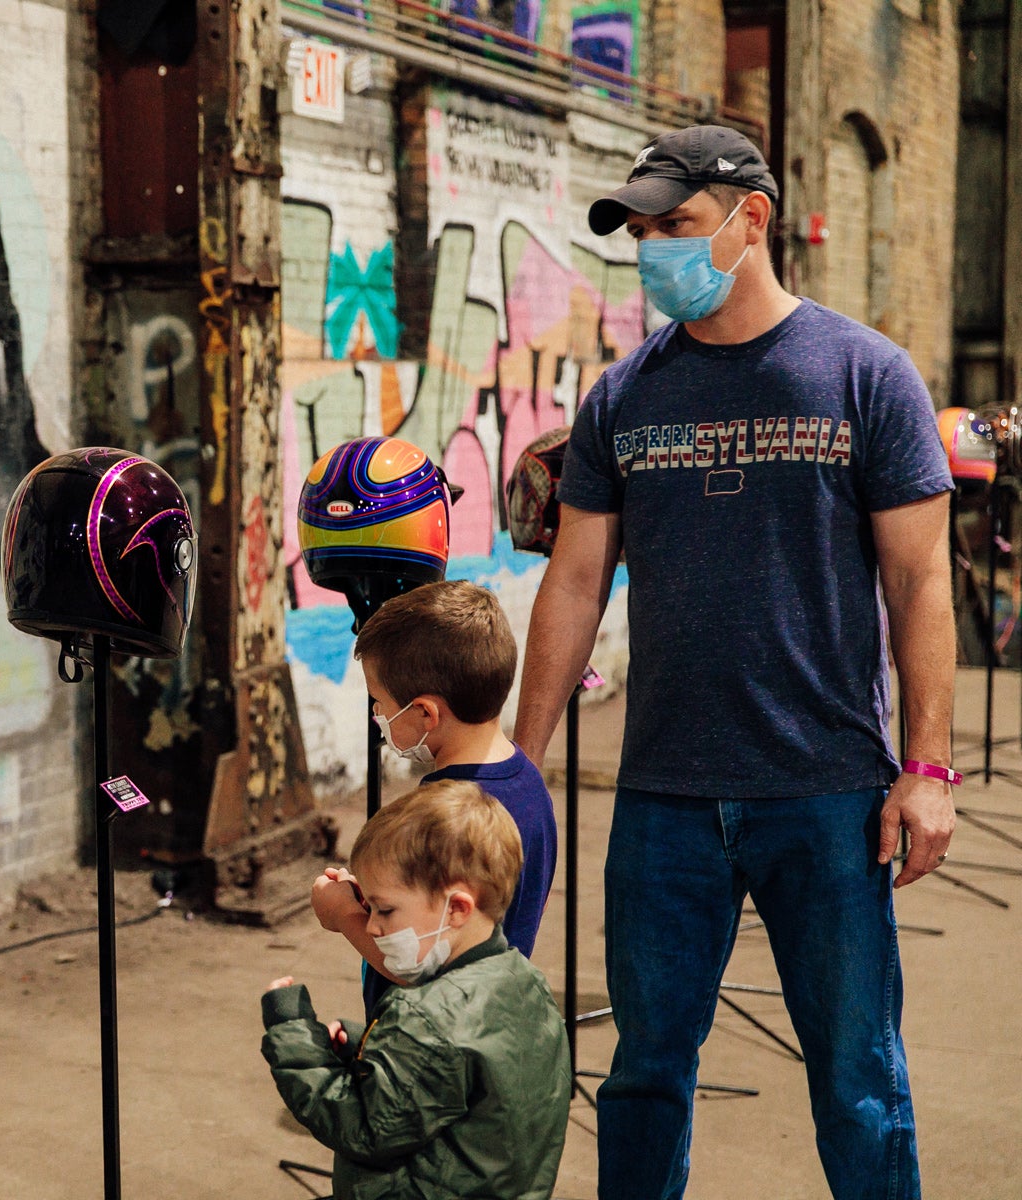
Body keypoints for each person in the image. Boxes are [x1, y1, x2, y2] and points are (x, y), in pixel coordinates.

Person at [513, 124, 956, 1200]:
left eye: (677, 225)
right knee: (646, 1077)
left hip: (829, 791)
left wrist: (928, 768)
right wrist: (514, 769)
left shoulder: (865, 375)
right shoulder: (625, 396)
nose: (655, 249)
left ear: (751, 219)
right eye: (643, 232)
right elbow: (575, 583)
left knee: (857, 1080)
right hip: (666, 796)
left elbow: (919, 585)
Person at [262, 780, 570, 1200]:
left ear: (457, 908)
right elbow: (460, 1076)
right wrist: (369, 1048)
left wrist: (292, 1032)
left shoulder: (425, 1018)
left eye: (384, 910)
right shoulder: (525, 981)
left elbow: (361, 1124)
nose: (372, 926)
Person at [313, 579, 558, 1021]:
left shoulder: (448, 814)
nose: (378, 716)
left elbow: (422, 965)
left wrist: (344, 916)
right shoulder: (528, 783)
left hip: (433, 1043)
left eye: (380, 702)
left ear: (425, 713)